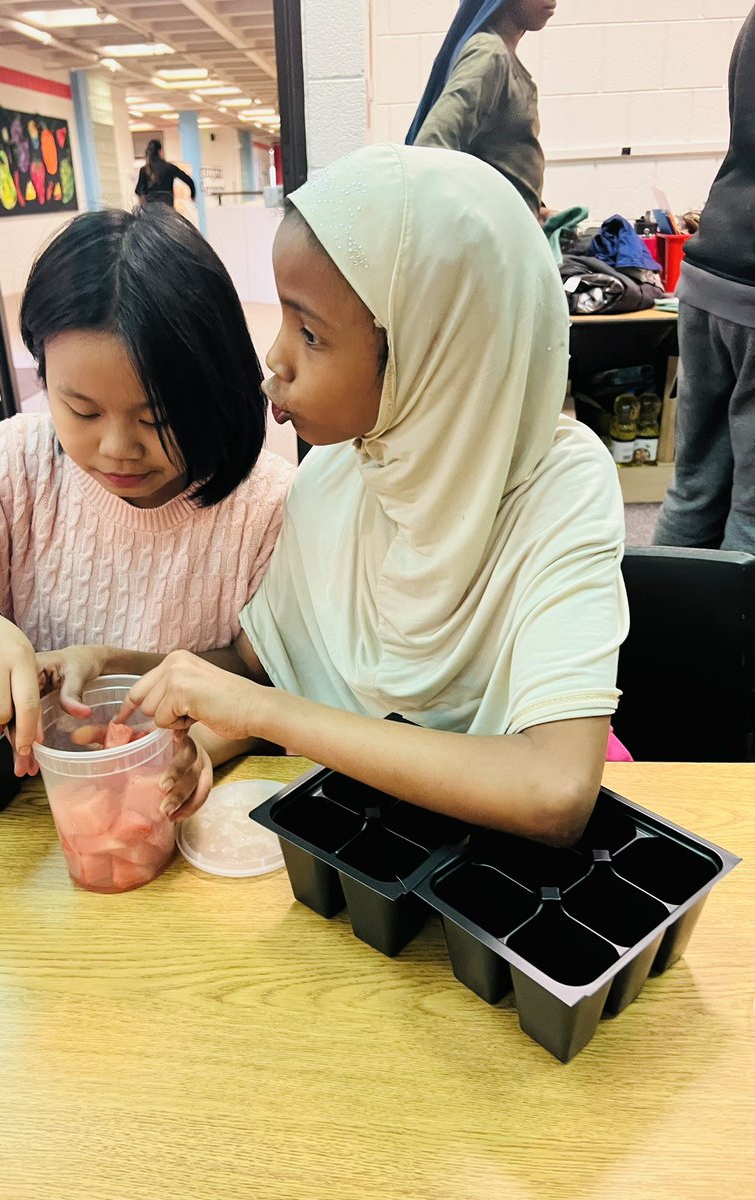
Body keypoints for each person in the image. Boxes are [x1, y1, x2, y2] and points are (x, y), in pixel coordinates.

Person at [108, 144, 629, 847]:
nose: (276, 358)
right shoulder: (335, 476)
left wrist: (263, 714)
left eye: (311, 332)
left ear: (435, 348)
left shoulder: (561, 489)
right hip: (369, 853)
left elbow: (552, 791)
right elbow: (262, 668)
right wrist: (123, 676)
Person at [0, 205, 293, 818]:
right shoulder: (9, 468)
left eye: (157, 418)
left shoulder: (268, 507)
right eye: (82, 411)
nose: (117, 449)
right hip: (4, 818)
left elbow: (262, 673)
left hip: (163, 816)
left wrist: (194, 744)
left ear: (215, 386)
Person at [654, 6, 755, 552]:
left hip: (710, 264)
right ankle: (736, 638)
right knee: (752, 506)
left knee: (694, 484)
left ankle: (671, 632)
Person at [406, 0, 557, 216]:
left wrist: (536, 210)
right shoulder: (489, 54)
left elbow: (497, 160)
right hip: (496, 243)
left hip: (514, 235)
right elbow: (431, 149)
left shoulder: (500, 54)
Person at [134, 139, 197, 208]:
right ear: (160, 152)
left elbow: (138, 190)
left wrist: (142, 201)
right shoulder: (169, 167)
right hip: (167, 205)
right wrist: (192, 195)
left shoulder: (144, 169)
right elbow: (188, 180)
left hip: (150, 207)